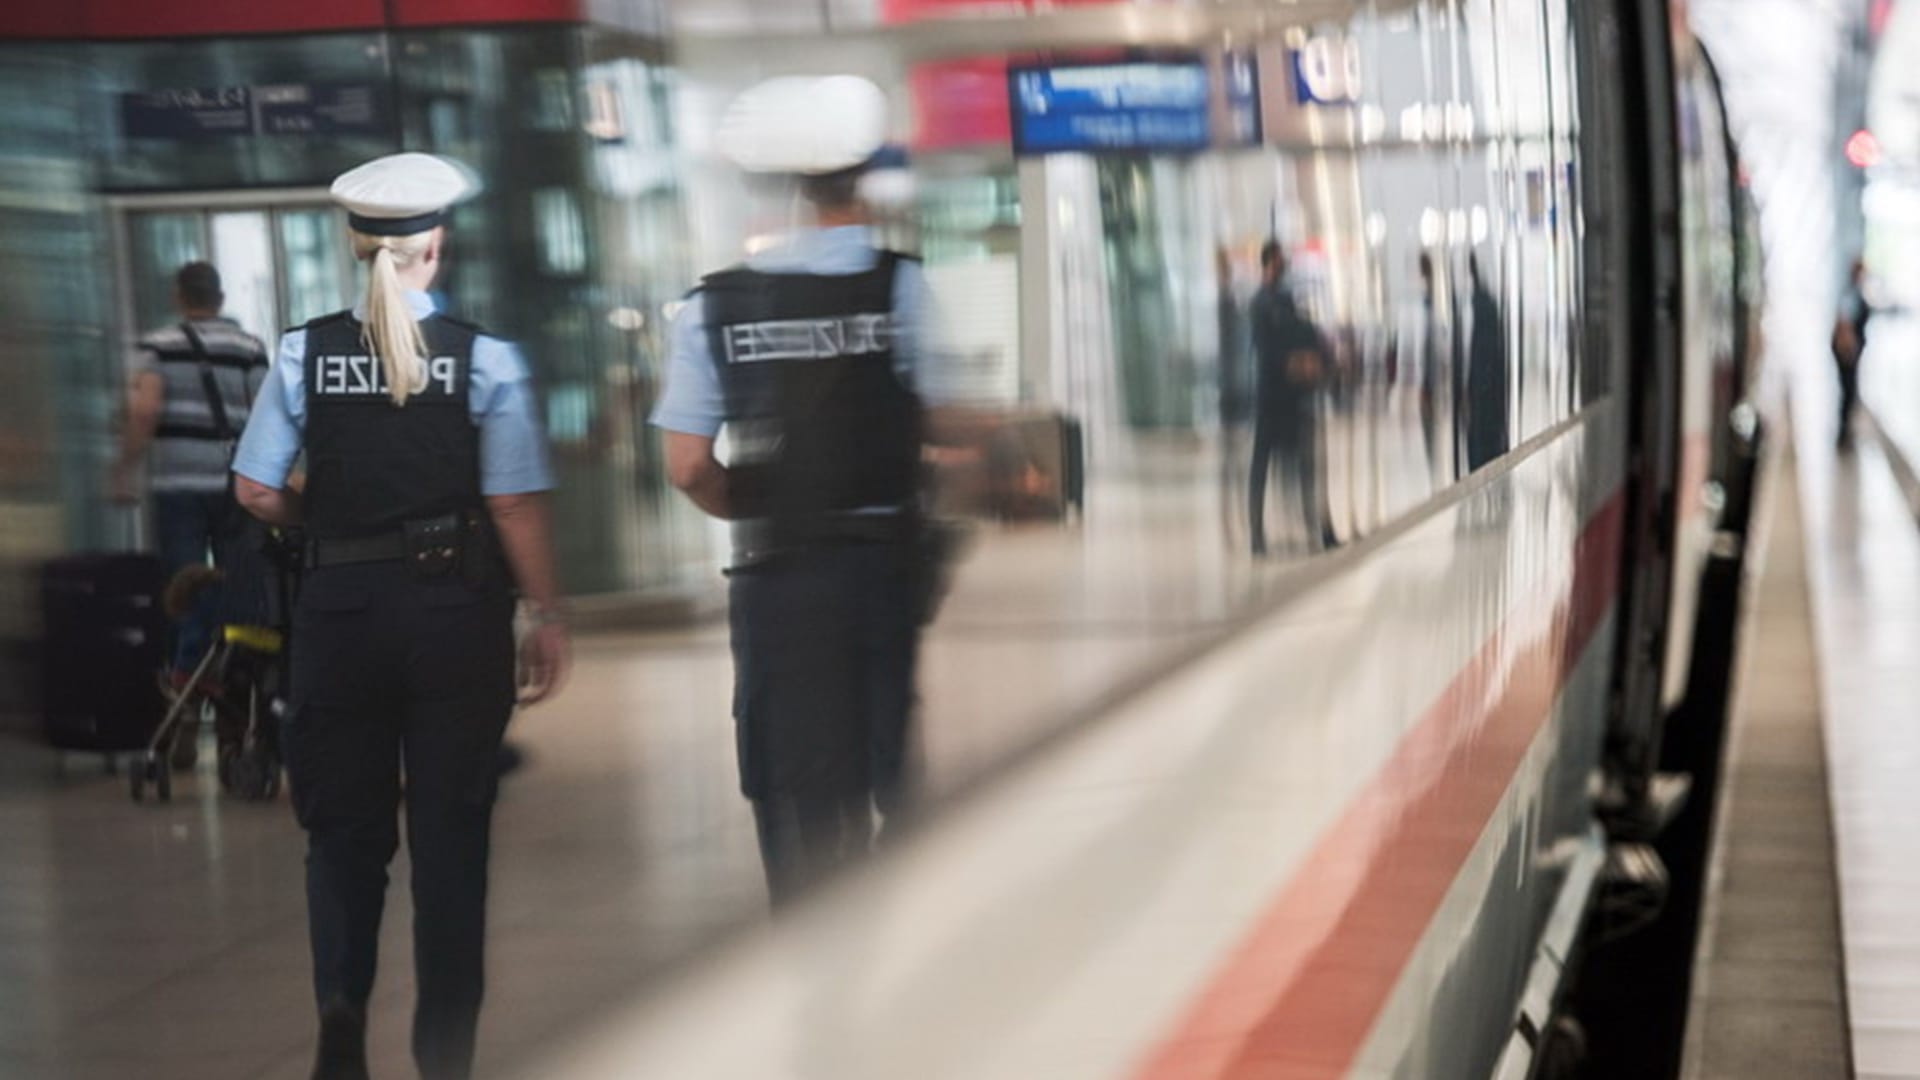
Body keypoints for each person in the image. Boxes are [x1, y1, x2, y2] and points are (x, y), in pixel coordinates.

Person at [229, 152, 570, 1080]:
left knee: (342, 833)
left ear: (355, 246)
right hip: (454, 616)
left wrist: (327, 524)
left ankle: (342, 1012)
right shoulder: (485, 357)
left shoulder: (303, 352)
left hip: (339, 615)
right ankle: (443, 1053)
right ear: (436, 245)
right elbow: (511, 504)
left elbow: (256, 490)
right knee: (452, 834)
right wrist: (548, 610)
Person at [652, 75, 946, 906]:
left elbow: (687, 466)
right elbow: (948, 417)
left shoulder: (713, 307)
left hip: (777, 578)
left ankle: (811, 952)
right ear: (861, 180)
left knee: (791, 785)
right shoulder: (901, 287)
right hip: (881, 567)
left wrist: (761, 503)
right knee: (884, 759)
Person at [110, 262, 269, 702]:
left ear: (180, 297)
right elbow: (264, 415)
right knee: (234, 577)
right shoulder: (249, 347)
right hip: (236, 483)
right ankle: (228, 671)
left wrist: (125, 470)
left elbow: (144, 411)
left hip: (177, 483)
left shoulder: (157, 347)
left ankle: (188, 671)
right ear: (219, 298)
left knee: (184, 581)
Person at [1248, 241, 1335, 557]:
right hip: (1271, 398)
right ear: (1269, 261)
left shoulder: (1282, 302)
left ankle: (1317, 529)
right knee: (1263, 467)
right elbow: (1270, 348)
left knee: (1303, 468)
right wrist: (1295, 362)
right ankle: (1257, 535)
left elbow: (1304, 332)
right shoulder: (1261, 304)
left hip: (1289, 398)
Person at [1464, 255, 1510, 472]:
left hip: (1482, 393)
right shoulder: (1488, 303)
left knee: (1481, 444)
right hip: (1491, 392)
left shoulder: (1476, 306)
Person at [1833, 258, 1871, 449]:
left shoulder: (1854, 293)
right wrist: (1848, 351)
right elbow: (1845, 325)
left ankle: (1845, 432)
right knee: (1848, 392)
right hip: (1847, 354)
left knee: (1849, 392)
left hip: (1851, 354)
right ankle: (1843, 435)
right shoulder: (1850, 295)